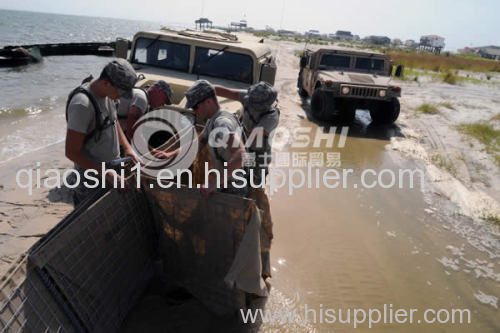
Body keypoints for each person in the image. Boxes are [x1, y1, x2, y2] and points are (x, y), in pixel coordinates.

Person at [65, 59, 142, 206]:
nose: (120, 97)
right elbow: (71, 152)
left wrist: (127, 148)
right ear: (106, 83)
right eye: (119, 92)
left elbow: (113, 121)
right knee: (91, 220)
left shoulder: (108, 96)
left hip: (111, 169)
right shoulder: (82, 105)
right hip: (91, 176)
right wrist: (105, 172)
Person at [185, 80, 247, 196]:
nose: (193, 111)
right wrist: (170, 155)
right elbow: (198, 144)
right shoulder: (212, 120)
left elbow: (240, 154)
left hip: (234, 190)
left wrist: (212, 184)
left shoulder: (222, 123)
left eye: (195, 107)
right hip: (223, 184)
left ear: (208, 102)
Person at [214, 81, 279, 185]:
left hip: (258, 155)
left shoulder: (272, 116)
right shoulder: (249, 97)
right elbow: (228, 92)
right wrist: (207, 90)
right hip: (245, 148)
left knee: (254, 184)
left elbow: (251, 135)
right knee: (238, 177)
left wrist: (226, 133)